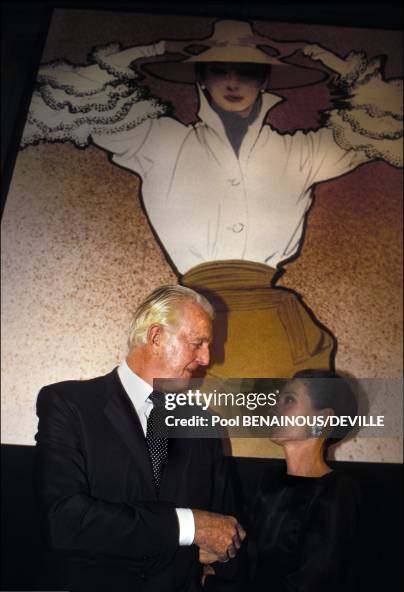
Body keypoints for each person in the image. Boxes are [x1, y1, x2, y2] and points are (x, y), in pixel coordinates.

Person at [22, 19, 402, 380]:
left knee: (280, 437)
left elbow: (388, 116)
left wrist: (316, 53)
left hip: (278, 327)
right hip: (187, 327)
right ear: (201, 77)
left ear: (265, 78)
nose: (233, 82)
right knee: (182, 442)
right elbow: (63, 94)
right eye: (219, 70)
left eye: (248, 71)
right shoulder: (160, 141)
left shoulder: (299, 153)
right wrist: (158, 48)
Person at [33, 285, 245, 592]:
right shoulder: (69, 404)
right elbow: (65, 521)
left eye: (208, 345)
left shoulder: (207, 426)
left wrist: (218, 554)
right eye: (197, 343)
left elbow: (225, 527)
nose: (207, 358)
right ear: (157, 337)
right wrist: (189, 527)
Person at [201, 369, 362, 592]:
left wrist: (211, 586)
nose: (275, 407)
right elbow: (251, 566)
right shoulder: (270, 482)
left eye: (289, 400)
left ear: (321, 420)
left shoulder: (338, 492)